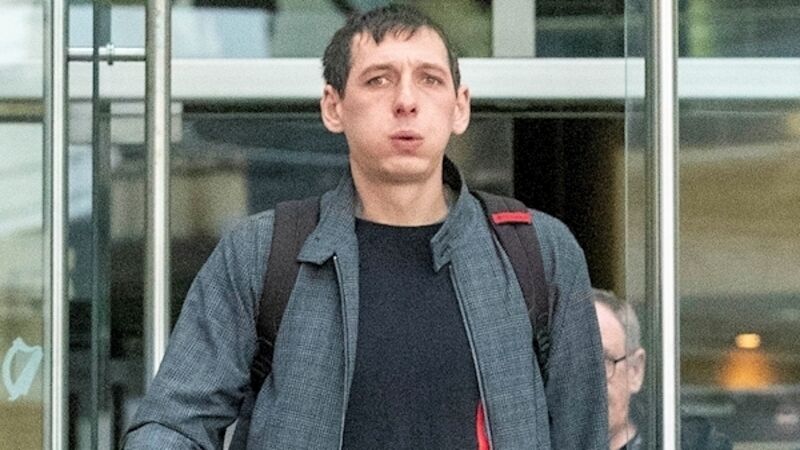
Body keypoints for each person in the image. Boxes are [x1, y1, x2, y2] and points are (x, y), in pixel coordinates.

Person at [124, 5, 607, 449]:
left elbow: (580, 434)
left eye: (430, 80)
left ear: (460, 107)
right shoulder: (263, 251)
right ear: (333, 107)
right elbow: (174, 424)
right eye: (378, 80)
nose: (406, 101)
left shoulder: (537, 251)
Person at [592, 288, 732, 450]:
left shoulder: (684, 443)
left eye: (602, 362)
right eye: (570, 363)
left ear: (635, 371)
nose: (583, 379)